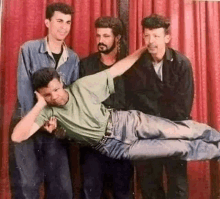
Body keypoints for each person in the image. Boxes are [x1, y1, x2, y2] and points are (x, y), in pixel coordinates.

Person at [11, 49, 220, 164]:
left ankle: (217, 138)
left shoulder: (82, 86)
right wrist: (40, 105)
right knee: (178, 147)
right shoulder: (47, 111)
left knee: (178, 130)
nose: (55, 96)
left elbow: (116, 69)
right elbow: (17, 136)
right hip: (116, 147)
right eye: (48, 94)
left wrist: (143, 49)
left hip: (125, 122)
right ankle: (217, 153)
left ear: (61, 82)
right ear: (41, 95)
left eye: (56, 89)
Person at [9, 3, 79, 199]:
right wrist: (39, 122)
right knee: (27, 185)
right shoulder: (29, 49)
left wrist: (56, 122)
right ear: (47, 22)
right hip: (28, 122)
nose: (63, 27)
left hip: (54, 127)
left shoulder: (73, 59)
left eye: (68, 22)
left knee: (61, 186)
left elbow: (69, 97)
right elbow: (24, 93)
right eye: (59, 21)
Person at [124, 14, 194, 199]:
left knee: (178, 187)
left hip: (175, 133)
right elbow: (133, 101)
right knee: (149, 187)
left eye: (156, 36)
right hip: (147, 136)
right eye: (147, 36)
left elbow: (183, 107)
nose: (151, 41)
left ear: (167, 38)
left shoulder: (182, 64)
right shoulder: (135, 66)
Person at [79, 16, 133, 199]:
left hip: (121, 138)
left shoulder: (130, 66)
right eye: (98, 36)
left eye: (106, 36)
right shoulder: (85, 65)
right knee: (91, 189)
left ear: (117, 38)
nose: (100, 40)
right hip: (93, 139)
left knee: (122, 190)